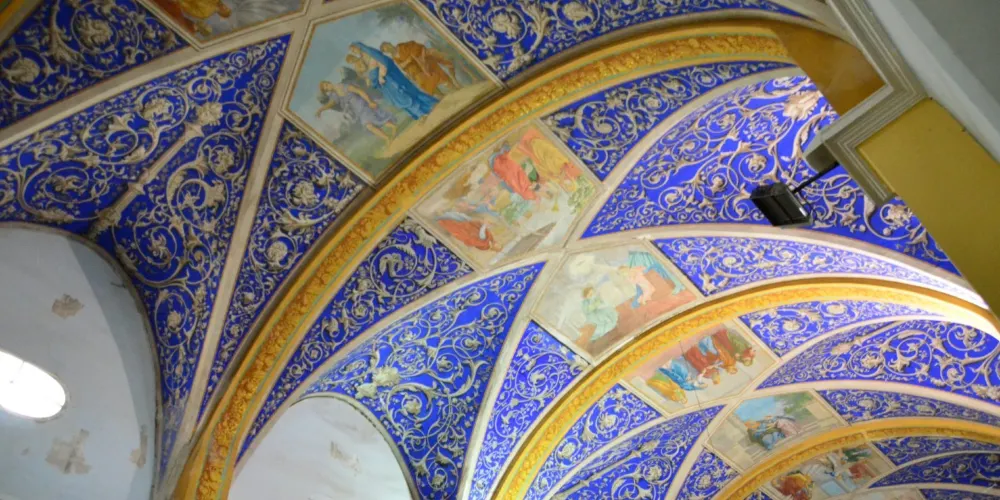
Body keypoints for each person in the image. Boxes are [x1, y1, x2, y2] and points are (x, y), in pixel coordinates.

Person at [349, 43, 439, 120]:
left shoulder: (370, 52)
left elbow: (383, 63)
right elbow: (368, 71)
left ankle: (423, 111)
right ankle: (424, 110)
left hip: (389, 79)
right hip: (385, 84)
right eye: (352, 51)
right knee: (398, 99)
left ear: (358, 46)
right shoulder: (362, 58)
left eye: (354, 49)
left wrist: (380, 76)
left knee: (403, 96)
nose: (354, 52)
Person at [315, 81, 397, 145]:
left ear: (329, 82)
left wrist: (370, 102)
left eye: (326, 85)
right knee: (374, 122)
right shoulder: (334, 95)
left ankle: (387, 137)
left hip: (363, 105)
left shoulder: (343, 86)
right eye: (326, 89)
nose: (328, 88)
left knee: (369, 125)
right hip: (358, 111)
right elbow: (330, 104)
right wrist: (320, 110)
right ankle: (391, 130)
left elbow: (360, 91)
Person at [379, 41, 459, 97]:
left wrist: (417, 59)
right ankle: (442, 96)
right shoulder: (394, 58)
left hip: (422, 61)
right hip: (414, 70)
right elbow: (401, 66)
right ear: (387, 52)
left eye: (388, 46)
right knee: (424, 83)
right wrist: (408, 61)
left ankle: (455, 89)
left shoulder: (402, 46)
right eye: (387, 50)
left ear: (390, 44)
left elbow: (415, 48)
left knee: (438, 74)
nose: (389, 49)